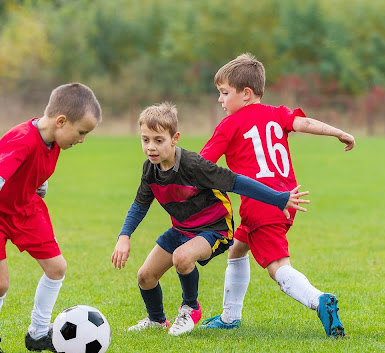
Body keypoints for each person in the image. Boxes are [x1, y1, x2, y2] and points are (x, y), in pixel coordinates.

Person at [111, 102, 309, 336]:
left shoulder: (193, 166)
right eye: (145, 140)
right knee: (145, 276)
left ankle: (190, 308)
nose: (151, 147)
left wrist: (278, 198)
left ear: (175, 138)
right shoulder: (150, 169)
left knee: (182, 257)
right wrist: (124, 236)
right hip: (182, 229)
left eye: (158, 140)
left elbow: (237, 182)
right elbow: (140, 205)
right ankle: (156, 320)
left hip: (215, 229)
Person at [199, 53, 356, 337]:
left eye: (224, 93)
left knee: (278, 268)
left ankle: (318, 300)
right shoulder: (277, 113)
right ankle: (230, 316)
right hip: (286, 198)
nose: (220, 100)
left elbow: (202, 164)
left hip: (261, 204)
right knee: (236, 250)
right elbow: (304, 124)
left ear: (246, 94)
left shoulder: (229, 125)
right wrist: (339, 133)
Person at [0, 82, 102, 353]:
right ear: (61, 121)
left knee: (56, 267)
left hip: (26, 207)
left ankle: (38, 333)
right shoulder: (22, 139)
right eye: (81, 132)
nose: (82, 139)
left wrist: (40, 187)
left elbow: (37, 170)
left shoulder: (54, 140)